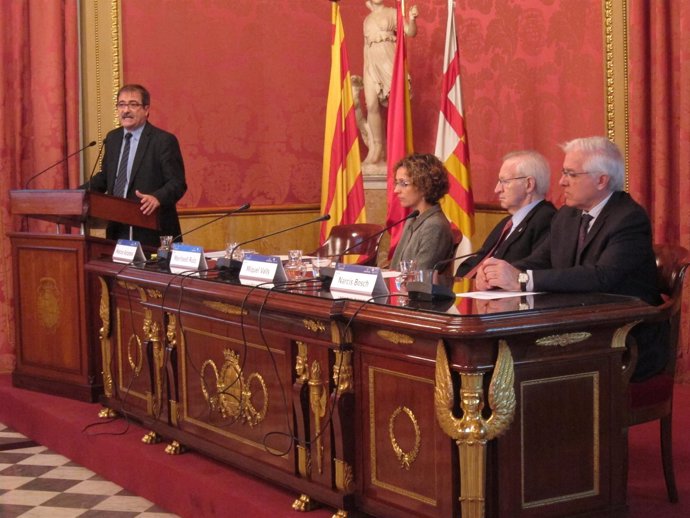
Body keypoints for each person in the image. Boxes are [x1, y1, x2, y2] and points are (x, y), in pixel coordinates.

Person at [477, 136, 664, 381]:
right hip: (578, 328)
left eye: (571, 174)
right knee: (504, 359)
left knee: (526, 367)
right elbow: (541, 259)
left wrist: (521, 279)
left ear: (601, 180)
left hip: (625, 337)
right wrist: (498, 272)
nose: (562, 182)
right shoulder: (567, 215)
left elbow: (601, 276)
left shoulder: (628, 218)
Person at [84, 84, 187, 247]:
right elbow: (105, 177)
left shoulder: (163, 141)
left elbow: (177, 183)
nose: (126, 110)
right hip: (117, 227)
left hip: (151, 229)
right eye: (121, 104)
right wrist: (76, 194)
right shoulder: (112, 138)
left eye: (133, 104)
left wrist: (157, 197)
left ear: (146, 109)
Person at [456, 150, 556, 277]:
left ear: (529, 184)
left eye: (504, 181)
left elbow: (534, 268)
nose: (497, 189)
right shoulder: (507, 223)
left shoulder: (547, 219)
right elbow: (478, 259)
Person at [361, 0, 418, 166]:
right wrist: (366, 69)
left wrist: (412, 18)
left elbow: (410, 32)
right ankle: (378, 147)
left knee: (396, 106)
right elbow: (366, 46)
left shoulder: (393, 12)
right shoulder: (367, 20)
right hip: (372, 63)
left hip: (389, 61)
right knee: (371, 105)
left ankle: (397, 148)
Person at [389, 153, 454, 273]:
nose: (396, 190)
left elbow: (418, 276)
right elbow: (396, 268)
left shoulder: (435, 226)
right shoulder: (413, 218)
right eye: (397, 183)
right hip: (401, 289)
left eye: (403, 183)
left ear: (424, 185)